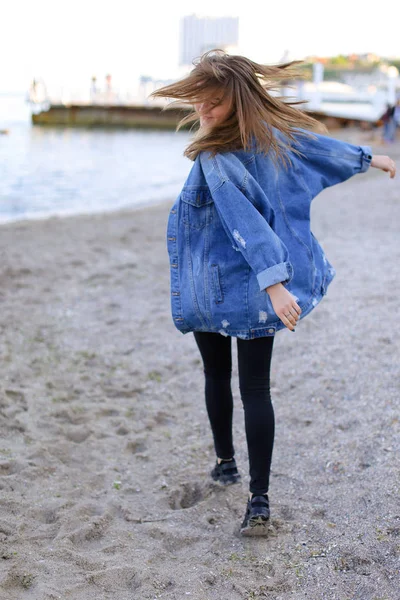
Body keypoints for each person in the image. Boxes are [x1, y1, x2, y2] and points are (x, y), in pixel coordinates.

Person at [150, 49, 396, 536]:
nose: (204, 111)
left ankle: (244, 485)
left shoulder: (219, 156)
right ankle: (242, 482)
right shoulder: (271, 139)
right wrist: (369, 158)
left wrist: (276, 285)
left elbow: (247, 220)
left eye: (215, 103)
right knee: (235, 381)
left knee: (233, 380)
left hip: (222, 284)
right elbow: (312, 148)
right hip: (252, 285)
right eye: (200, 100)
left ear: (238, 101)